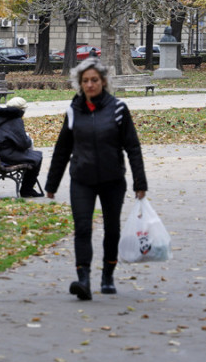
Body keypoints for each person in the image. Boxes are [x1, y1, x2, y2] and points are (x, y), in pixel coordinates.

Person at [45, 57, 148, 301]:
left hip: (112, 179)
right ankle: (83, 280)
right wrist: (51, 184)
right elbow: (62, 149)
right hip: (82, 178)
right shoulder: (73, 110)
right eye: (85, 81)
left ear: (103, 81)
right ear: (80, 84)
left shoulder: (118, 109)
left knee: (112, 230)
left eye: (94, 80)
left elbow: (132, 147)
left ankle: (108, 277)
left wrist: (140, 182)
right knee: (82, 229)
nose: (90, 84)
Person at [0, 96, 44, 198]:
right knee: (37, 157)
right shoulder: (15, 120)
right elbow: (23, 144)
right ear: (21, 110)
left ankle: (27, 189)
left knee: (33, 156)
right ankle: (27, 189)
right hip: (6, 156)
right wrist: (29, 140)